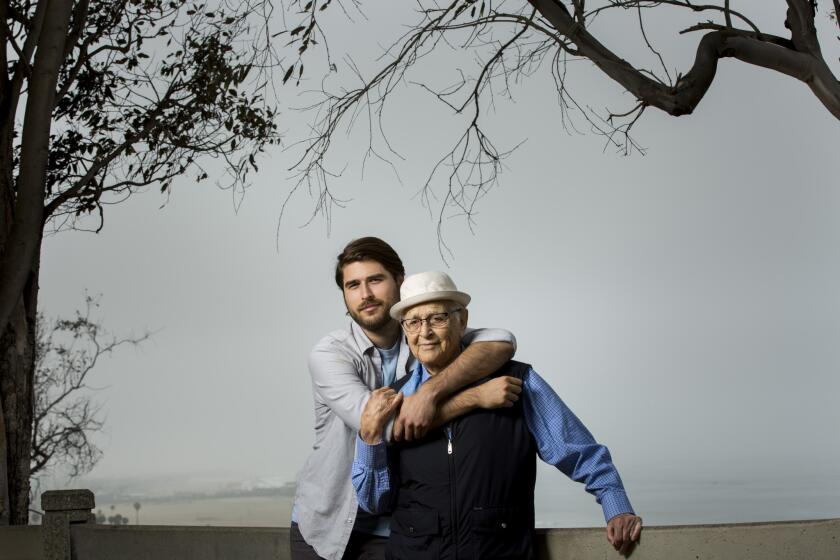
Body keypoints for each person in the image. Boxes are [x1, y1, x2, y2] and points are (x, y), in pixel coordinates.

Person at [353, 271, 643, 559]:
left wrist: (615, 505)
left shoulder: (517, 381)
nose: (424, 332)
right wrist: (369, 436)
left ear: (462, 320)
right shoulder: (391, 401)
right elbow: (375, 502)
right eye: (413, 322)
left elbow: (577, 449)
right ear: (404, 329)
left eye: (437, 318)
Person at [292, 238, 520, 560]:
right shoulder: (330, 355)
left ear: (400, 280)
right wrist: (473, 398)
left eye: (375, 280)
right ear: (344, 296)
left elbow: (501, 341)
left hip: (398, 528)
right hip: (327, 525)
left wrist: (429, 392)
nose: (366, 294)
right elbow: (383, 430)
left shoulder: (423, 334)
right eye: (353, 285)